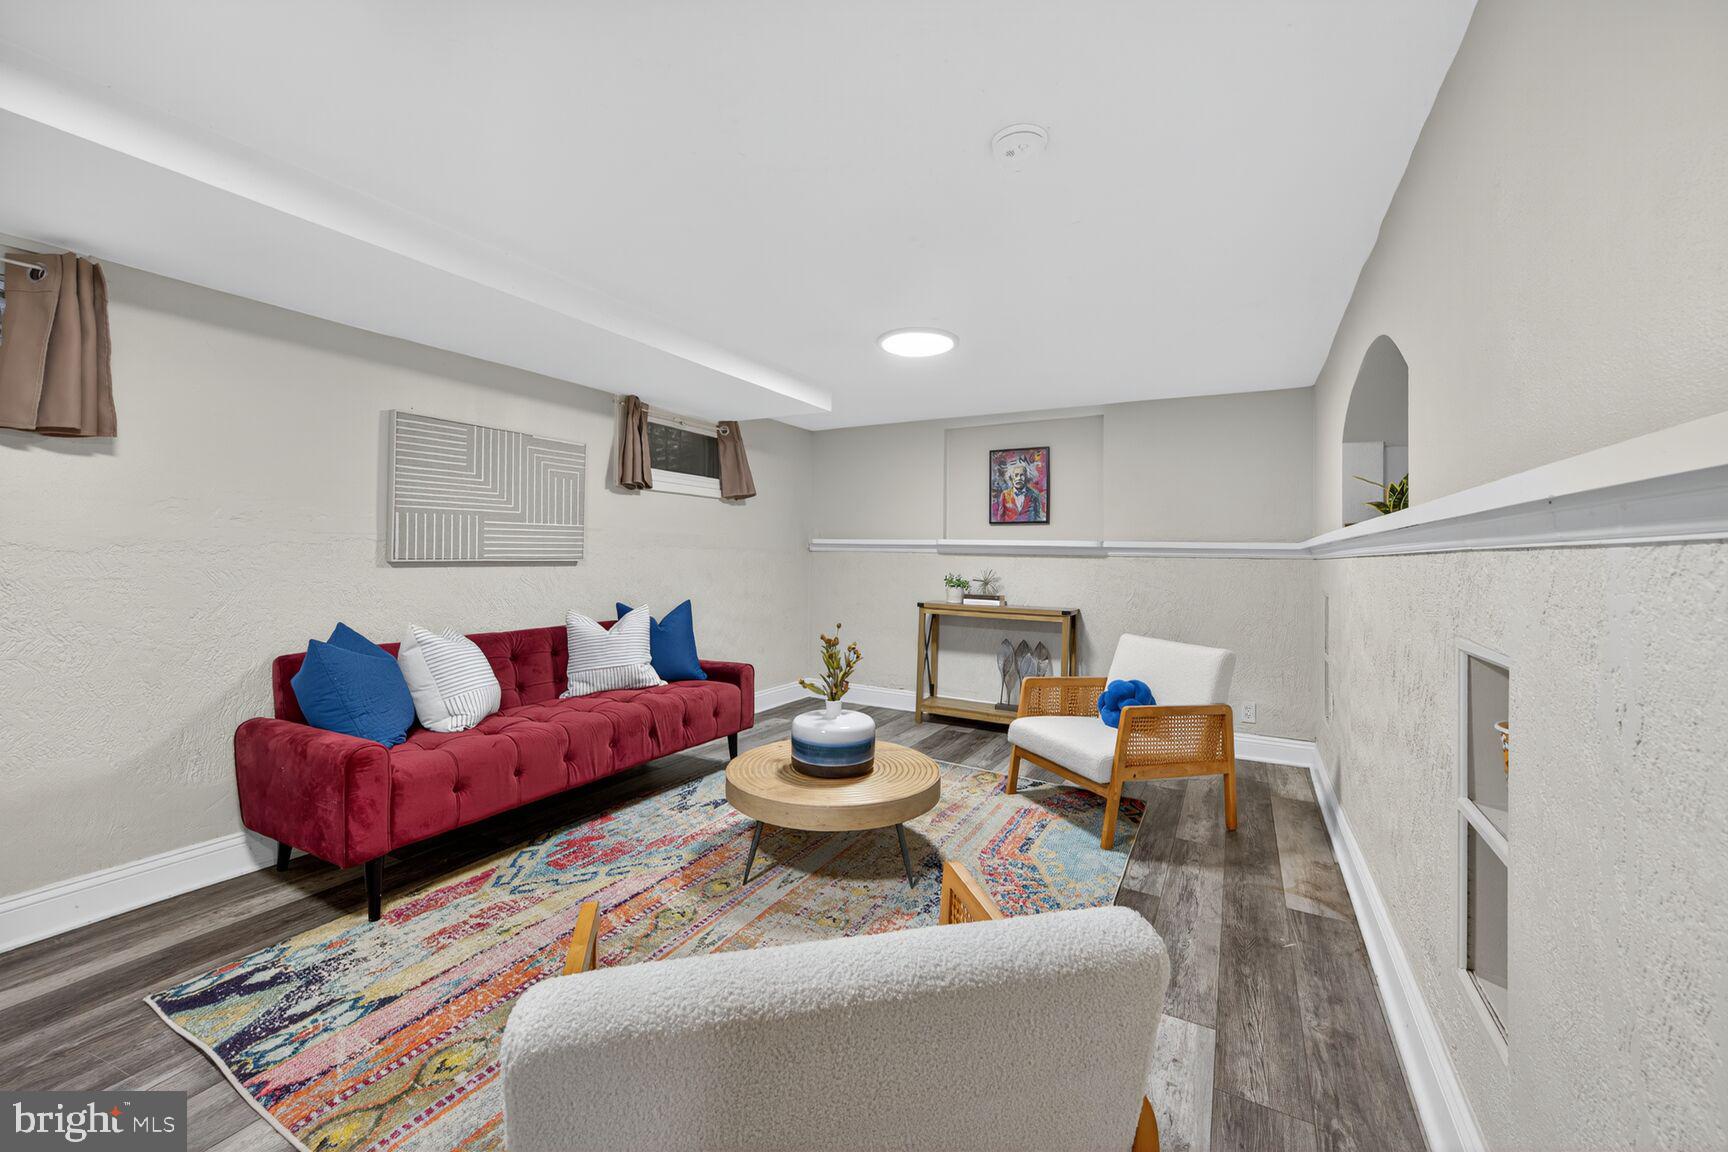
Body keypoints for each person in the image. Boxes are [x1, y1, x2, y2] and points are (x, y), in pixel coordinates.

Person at [994, 457, 1045, 522]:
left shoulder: (1034, 495)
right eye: (1016, 475)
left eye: (1022, 475)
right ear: (1012, 478)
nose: (1019, 478)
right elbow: (1000, 518)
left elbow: (1038, 517)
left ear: (1026, 477)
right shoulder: (1004, 495)